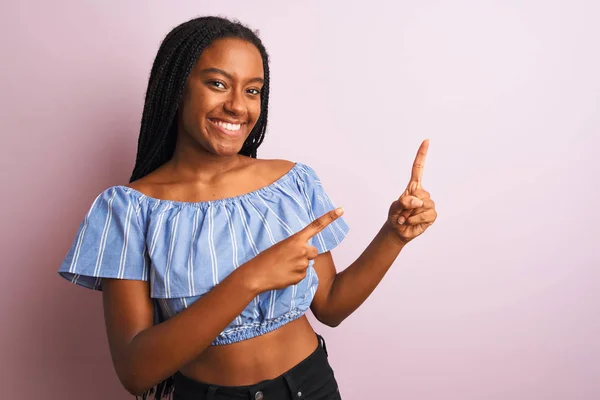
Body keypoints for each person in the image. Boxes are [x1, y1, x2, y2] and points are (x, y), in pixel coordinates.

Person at [57, 15, 437, 400]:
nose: (238, 106)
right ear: (176, 89)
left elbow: (332, 305)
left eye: (253, 90)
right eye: (218, 84)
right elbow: (135, 373)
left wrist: (394, 235)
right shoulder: (129, 211)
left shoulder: (291, 184)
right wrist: (249, 280)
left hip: (313, 387)